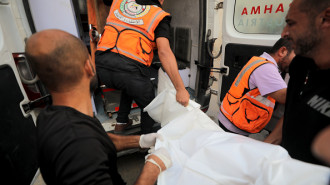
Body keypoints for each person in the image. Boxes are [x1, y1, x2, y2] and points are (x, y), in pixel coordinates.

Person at [25, 29, 171, 185]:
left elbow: (97, 140)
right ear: (88, 66)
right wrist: (152, 168)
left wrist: (140, 141)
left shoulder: (51, 115)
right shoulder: (77, 145)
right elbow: (86, 144)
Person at [95, 0, 190, 134]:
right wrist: (180, 89)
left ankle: (121, 122)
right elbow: (164, 52)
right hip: (129, 72)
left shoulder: (119, 1)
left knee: (129, 85)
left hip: (101, 68)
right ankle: (145, 142)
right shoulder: (159, 15)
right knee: (150, 107)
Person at [280, 0, 330, 166]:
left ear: (326, 19)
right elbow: (291, 118)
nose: (284, 33)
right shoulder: (300, 66)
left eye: (291, 23)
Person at [218, 38, 295, 136]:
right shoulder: (266, 68)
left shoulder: (260, 61)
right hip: (233, 123)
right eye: (296, 57)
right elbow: (284, 97)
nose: (296, 62)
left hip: (231, 115)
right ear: (283, 51)